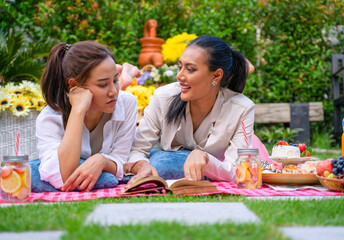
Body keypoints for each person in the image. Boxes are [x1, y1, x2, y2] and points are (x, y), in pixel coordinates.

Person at [125, 35, 256, 185]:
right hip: (168, 161)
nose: (179, 76)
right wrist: (142, 167)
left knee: (164, 164)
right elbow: (137, 149)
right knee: (161, 163)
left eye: (191, 69)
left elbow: (239, 170)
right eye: (180, 67)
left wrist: (205, 158)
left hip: (216, 165)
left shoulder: (241, 108)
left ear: (217, 75)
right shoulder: (163, 97)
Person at [29, 41, 149, 192]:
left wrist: (101, 161)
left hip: (104, 170)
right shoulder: (50, 118)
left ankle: (127, 73)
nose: (114, 92)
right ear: (74, 85)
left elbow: (121, 160)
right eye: (103, 85)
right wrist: (78, 110)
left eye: (115, 81)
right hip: (60, 169)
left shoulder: (126, 103)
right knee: (32, 172)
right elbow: (64, 177)